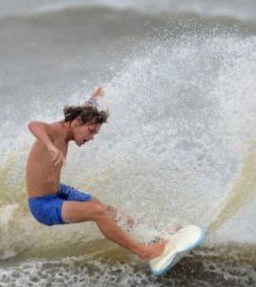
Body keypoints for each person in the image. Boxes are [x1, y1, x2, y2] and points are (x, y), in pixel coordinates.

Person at [25, 87, 167, 262]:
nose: (92, 137)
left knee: (105, 209)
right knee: (97, 212)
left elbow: (86, 108)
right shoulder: (55, 131)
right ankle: (145, 252)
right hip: (43, 205)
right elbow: (34, 125)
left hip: (57, 191)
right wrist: (50, 146)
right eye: (91, 131)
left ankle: (149, 235)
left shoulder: (75, 120)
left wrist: (95, 97)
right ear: (77, 123)